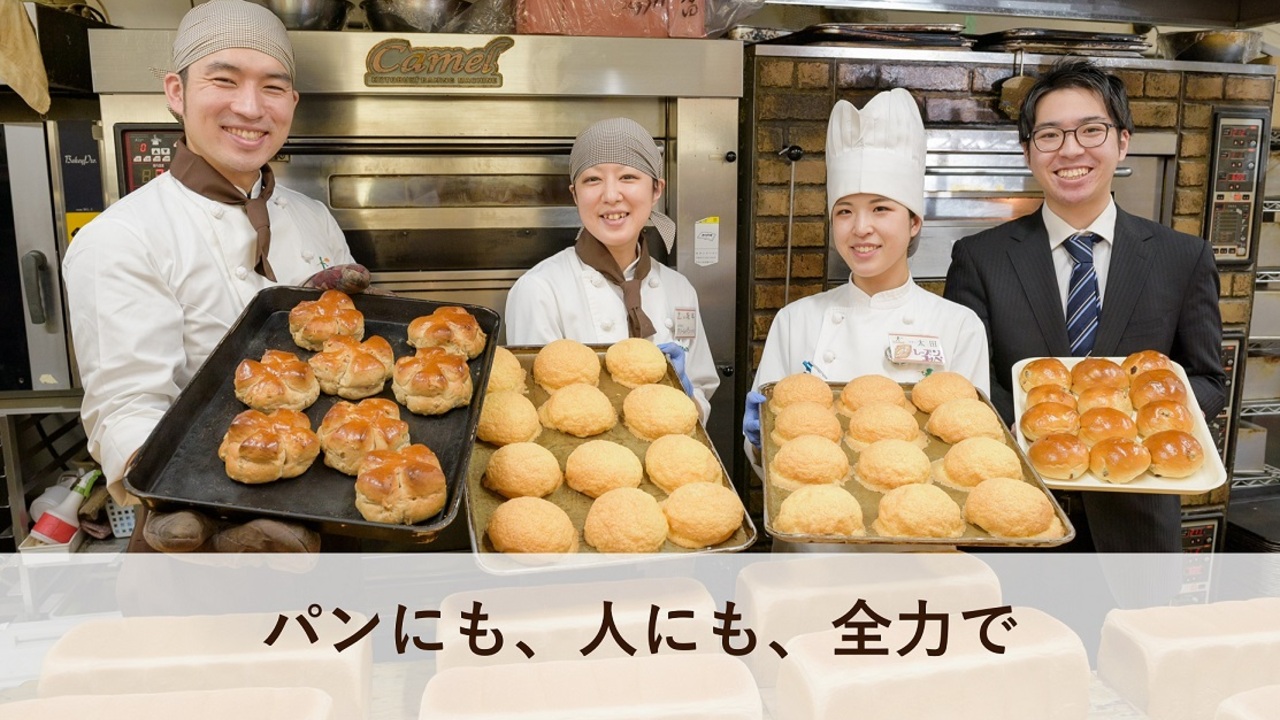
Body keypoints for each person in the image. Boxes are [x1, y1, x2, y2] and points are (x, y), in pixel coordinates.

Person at [63, 0, 365, 551]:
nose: (250, 107)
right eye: (224, 80)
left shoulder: (312, 217)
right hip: (200, 534)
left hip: (333, 506)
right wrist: (185, 497)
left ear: (292, 103)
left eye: (273, 87)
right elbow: (127, 406)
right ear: (177, 92)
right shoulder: (123, 236)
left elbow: (339, 356)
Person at [943, 59, 1227, 553]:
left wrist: (1134, 424)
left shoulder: (1182, 257)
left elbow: (1206, 380)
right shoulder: (980, 257)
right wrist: (1038, 429)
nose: (1070, 149)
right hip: (1014, 512)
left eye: (1090, 130)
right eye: (1049, 135)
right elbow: (966, 380)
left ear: (1122, 140)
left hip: (1137, 525)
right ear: (1028, 152)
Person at [743, 89, 991, 456]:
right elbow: (771, 464)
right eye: (845, 211)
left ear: (914, 223)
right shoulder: (795, 320)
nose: (860, 228)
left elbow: (972, 448)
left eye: (880, 209)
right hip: (813, 504)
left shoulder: (958, 325)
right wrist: (757, 442)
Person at [505, 117, 718, 421]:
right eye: (592, 180)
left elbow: (700, 396)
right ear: (575, 194)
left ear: (657, 189)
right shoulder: (539, 291)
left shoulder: (679, 289)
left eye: (628, 177)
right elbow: (534, 408)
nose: (611, 195)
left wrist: (686, 394)